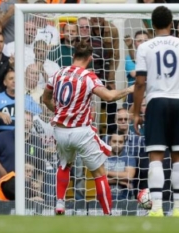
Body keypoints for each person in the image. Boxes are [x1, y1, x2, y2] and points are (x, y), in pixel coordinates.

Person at [42, 40, 134, 216]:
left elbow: (45, 99)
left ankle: (60, 203)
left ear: (74, 55)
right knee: (99, 173)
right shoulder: (89, 77)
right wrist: (128, 90)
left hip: (60, 131)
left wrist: (61, 112)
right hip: (81, 131)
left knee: (64, 165)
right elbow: (108, 96)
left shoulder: (57, 74)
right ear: (90, 58)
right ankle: (108, 214)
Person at [133, 6, 179, 217]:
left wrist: (136, 112)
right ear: (172, 24)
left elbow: (140, 83)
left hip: (156, 102)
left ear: (152, 25)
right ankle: (178, 209)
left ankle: (157, 208)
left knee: (156, 156)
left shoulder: (144, 47)